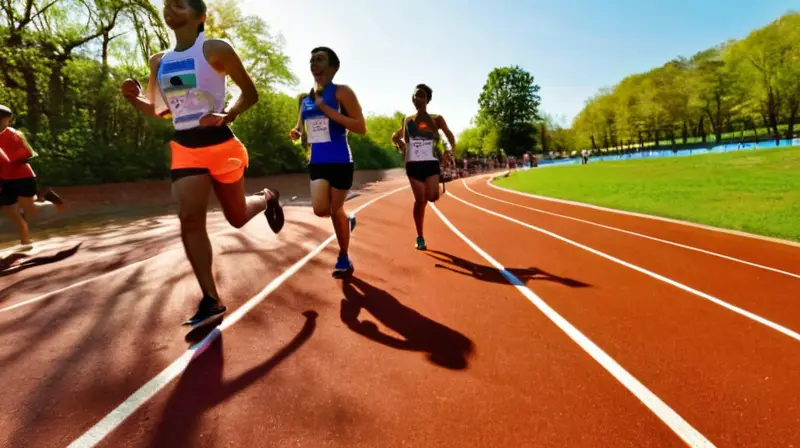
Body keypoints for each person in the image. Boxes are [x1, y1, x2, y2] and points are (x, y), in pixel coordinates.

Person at [119, 0, 284, 329]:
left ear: (200, 16)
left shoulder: (214, 48)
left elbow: (249, 93)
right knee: (189, 217)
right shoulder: (159, 61)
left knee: (236, 217)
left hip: (220, 143)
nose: (170, 8)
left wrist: (228, 114)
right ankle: (211, 298)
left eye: (180, 4)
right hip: (185, 147)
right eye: (167, 4)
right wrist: (132, 98)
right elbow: (160, 110)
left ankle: (267, 198)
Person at [289, 47, 365, 278]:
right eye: (312, 60)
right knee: (321, 209)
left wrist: (326, 109)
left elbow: (360, 127)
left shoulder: (342, 93)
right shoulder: (305, 99)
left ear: (333, 67)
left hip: (341, 159)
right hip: (318, 160)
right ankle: (348, 219)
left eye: (320, 59)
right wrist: (296, 133)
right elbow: (301, 129)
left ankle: (343, 257)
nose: (314, 64)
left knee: (335, 210)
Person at [391, 84, 456, 251]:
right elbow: (406, 143)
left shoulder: (437, 119)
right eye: (415, 95)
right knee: (420, 201)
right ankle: (420, 236)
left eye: (421, 96)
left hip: (431, 164)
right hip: (414, 165)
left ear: (427, 100)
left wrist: (450, 153)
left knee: (432, 197)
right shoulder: (407, 120)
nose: (417, 98)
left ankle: (435, 189)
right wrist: (400, 144)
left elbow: (450, 137)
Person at [0, 105, 65, 247]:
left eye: (1, 119)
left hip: (22, 176)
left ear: (8, 120)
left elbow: (28, 152)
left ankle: (54, 202)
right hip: (5, 178)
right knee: (9, 209)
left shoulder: (14, 134)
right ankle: (25, 237)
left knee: (31, 210)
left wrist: (9, 159)